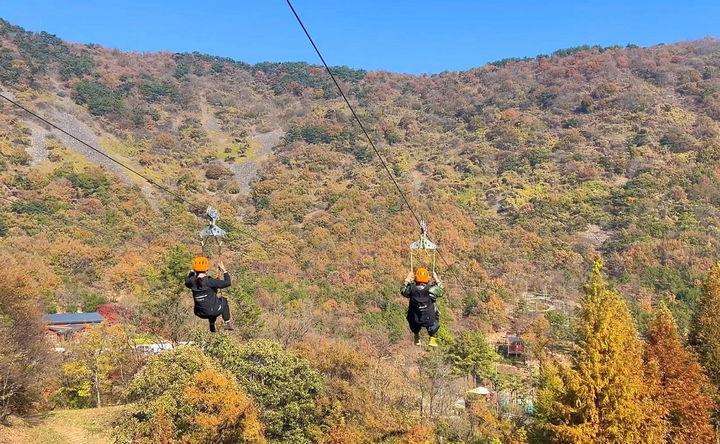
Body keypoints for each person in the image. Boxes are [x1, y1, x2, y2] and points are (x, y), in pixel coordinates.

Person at [185, 256, 234, 332]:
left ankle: (212, 325)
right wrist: (224, 270)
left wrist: (192, 271)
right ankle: (227, 322)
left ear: (195, 269)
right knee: (223, 300)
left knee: (211, 302)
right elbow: (228, 283)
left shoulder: (191, 282)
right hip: (212, 311)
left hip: (199, 313)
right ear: (206, 269)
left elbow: (188, 280)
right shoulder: (210, 281)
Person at [401, 267, 444, 347]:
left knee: (410, 316)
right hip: (430, 318)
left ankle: (416, 335)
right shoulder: (431, 289)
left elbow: (403, 291)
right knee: (436, 316)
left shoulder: (411, 289)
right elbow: (441, 291)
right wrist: (436, 279)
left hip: (415, 318)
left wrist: (407, 279)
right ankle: (432, 338)